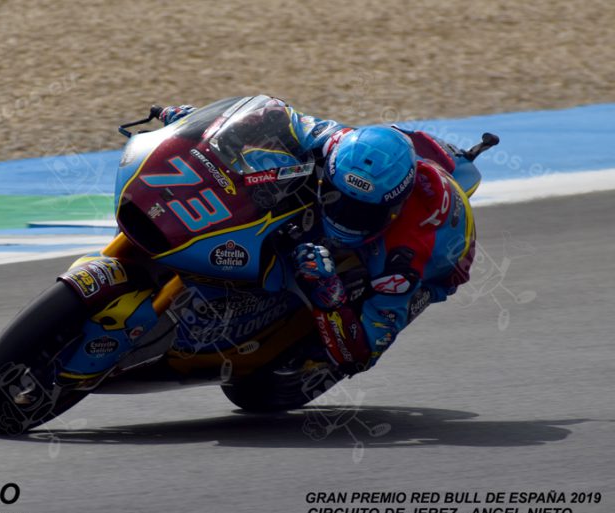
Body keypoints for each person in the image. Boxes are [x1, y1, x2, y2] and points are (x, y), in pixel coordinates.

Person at [159, 99, 476, 376]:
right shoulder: (335, 142)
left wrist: (329, 293)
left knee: (339, 326)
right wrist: (198, 125)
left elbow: (361, 356)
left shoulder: (403, 259)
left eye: (362, 213)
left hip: (441, 256)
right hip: (395, 166)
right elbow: (274, 117)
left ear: (394, 206)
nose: (345, 217)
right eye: (337, 197)